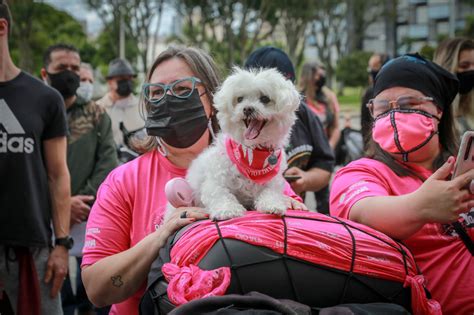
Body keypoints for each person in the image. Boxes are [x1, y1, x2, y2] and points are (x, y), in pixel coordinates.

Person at [329, 53, 474, 314]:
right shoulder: (362, 171)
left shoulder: (464, 162)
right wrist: (421, 206)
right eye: (384, 107)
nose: (396, 113)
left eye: (411, 102)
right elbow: (362, 212)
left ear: (438, 109)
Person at [80, 46, 221, 315]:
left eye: (182, 90)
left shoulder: (245, 173)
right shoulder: (123, 181)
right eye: (156, 92)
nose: (168, 100)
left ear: (213, 101)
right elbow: (97, 290)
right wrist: (160, 237)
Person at [0, 2, 71, 314]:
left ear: (2, 28)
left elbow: (58, 174)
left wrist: (62, 245)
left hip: (35, 250)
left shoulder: (44, 98)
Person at [49, 60, 118, 315]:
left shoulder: (97, 114)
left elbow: (107, 160)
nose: (84, 83)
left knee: (94, 272)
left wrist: (85, 200)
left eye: (87, 78)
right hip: (53, 212)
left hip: (90, 209)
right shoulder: (44, 108)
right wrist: (62, 203)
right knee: (57, 280)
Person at [244, 46, 334, 213]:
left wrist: (306, 179)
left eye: (267, 98)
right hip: (242, 223)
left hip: (288, 221)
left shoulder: (306, 115)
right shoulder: (234, 122)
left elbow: (325, 167)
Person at [299, 62, 340, 213]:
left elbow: (336, 127)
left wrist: (328, 147)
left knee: (324, 201)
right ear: (308, 75)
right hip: (302, 155)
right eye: (317, 73)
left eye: (323, 73)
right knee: (298, 201)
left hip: (321, 155)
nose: (321, 77)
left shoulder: (329, 97)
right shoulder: (299, 99)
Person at [96, 58, 144, 147]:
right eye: (122, 78)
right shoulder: (98, 108)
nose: (127, 82)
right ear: (110, 82)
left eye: (129, 78)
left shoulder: (143, 106)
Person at [434, 37, 474, 134]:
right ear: (447, 68)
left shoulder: (470, 108)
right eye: (464, 66)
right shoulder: (434, 116)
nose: (472, 70)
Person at [360, 53, 390, 151]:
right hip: (375, 147)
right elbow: (365, 123)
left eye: (374, 68)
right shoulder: (370, 92)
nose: (371, 71)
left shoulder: (391, 91)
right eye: (370, 68)